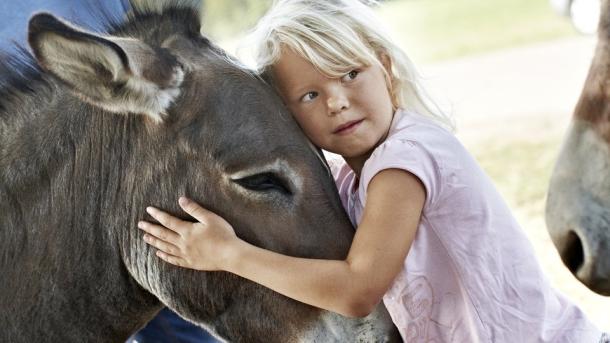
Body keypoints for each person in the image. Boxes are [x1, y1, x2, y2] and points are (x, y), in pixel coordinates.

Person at [137, 0, 607, 341]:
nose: (337, 101)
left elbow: (357, 289)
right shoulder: (349, 180)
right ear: (288, 116)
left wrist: (229, 254)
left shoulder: (404, 159)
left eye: (349, 74)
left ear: (385, 67)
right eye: (310, 96)